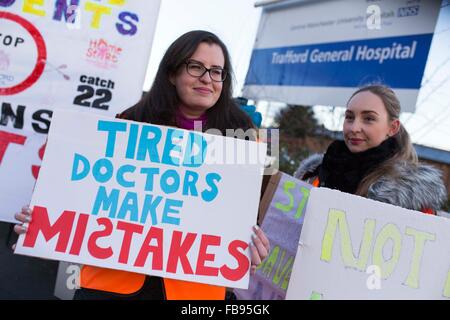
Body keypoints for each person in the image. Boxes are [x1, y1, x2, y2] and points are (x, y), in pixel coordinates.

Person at [13, 30, 270, 300]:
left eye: (217, 71)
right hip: (109, 285)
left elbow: (245, 220)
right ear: (171, 73)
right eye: (196, 67)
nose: (207, 78)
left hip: (195, 292)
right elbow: (79, 198)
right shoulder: (125, 123)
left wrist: (252, 246)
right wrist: (40, 219)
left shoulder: (246, 139)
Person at [294, 84, 447, 213]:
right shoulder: (313, 172)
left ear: (392, 128)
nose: (354, 127)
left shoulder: (413, 196)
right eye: (349, 117)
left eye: (368, 119)